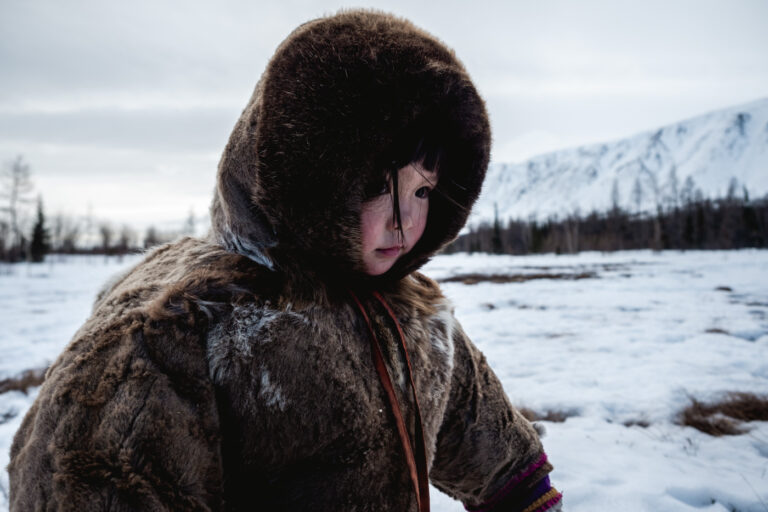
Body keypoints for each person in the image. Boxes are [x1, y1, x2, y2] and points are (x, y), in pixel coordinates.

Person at [9, 10, 563, 512]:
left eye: (422, 193)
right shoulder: (186, 321)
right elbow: (79, 483)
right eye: (380, 187)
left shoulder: (414, 317)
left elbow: (494, 450)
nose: (406, 222)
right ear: (309, 171)